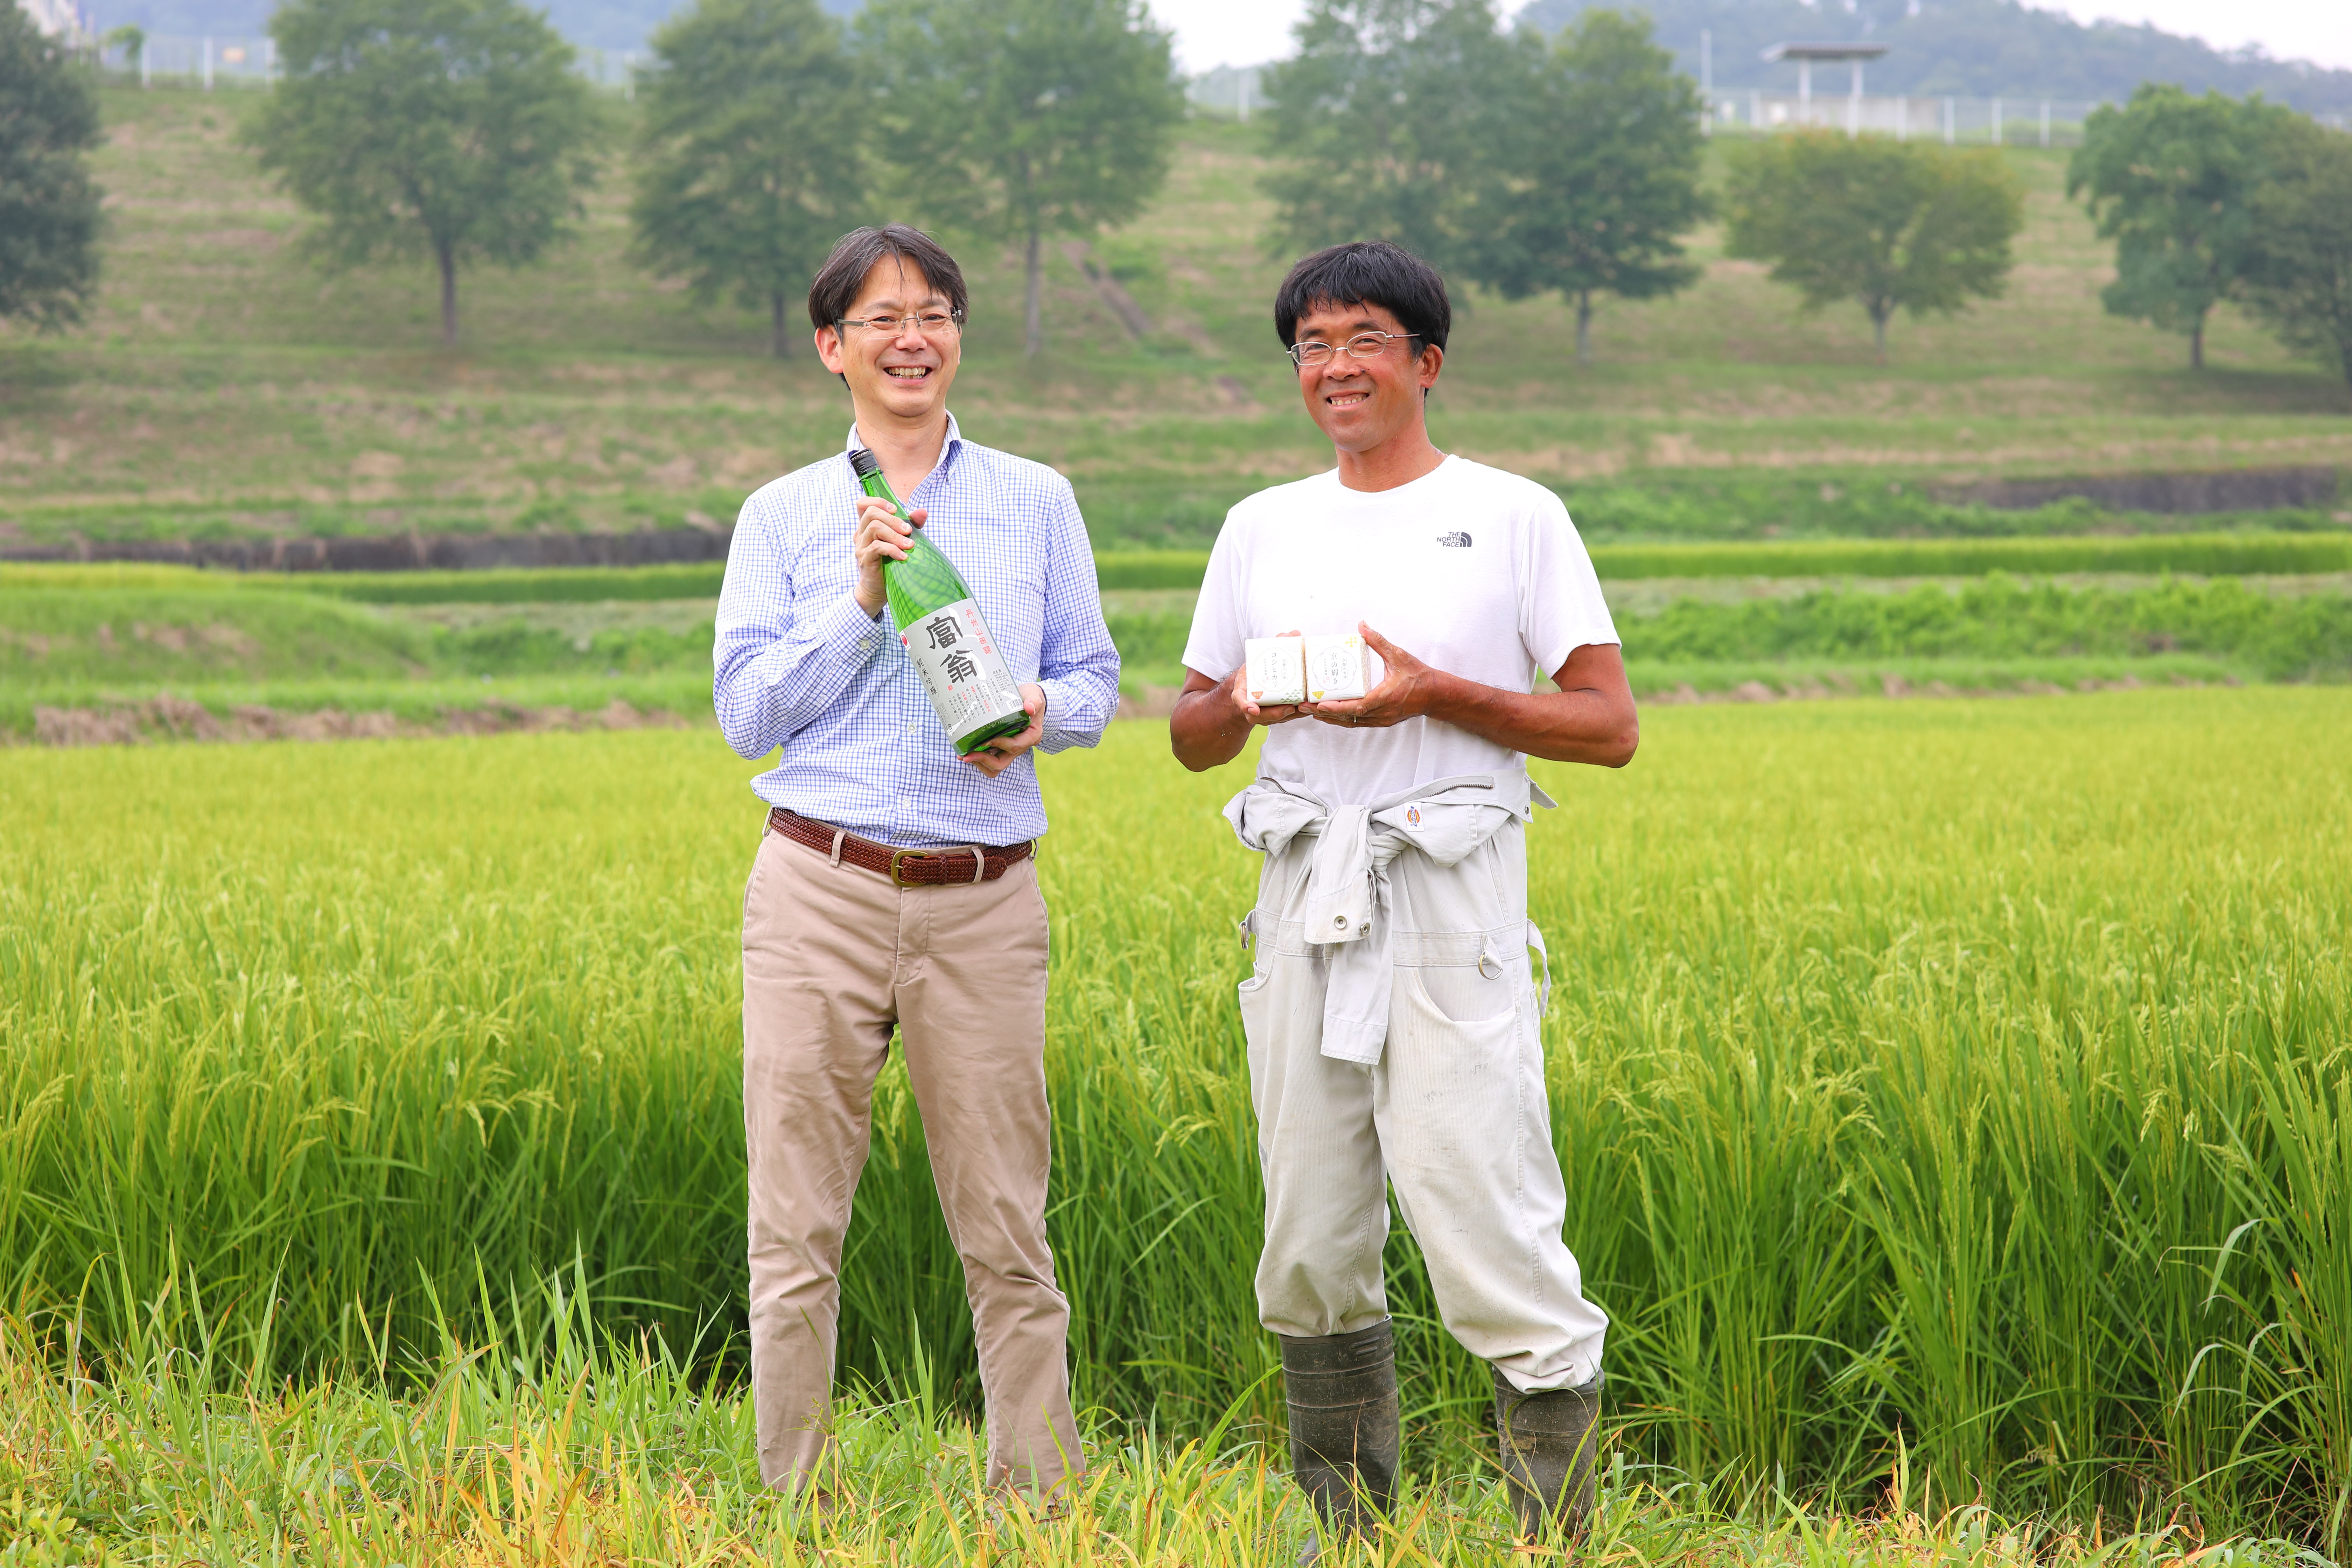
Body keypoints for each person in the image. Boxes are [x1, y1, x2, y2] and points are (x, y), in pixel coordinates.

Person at [1168, 241, 1639, 1553]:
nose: (1335, 367)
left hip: (1447, 904)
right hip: (1302, 895)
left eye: (1363, 339)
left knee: (1491, 1223)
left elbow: (1608, 725)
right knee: (1310, 1242)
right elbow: (1194, 733)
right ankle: (1352, 1539)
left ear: (1426, 362)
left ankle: (1557, 1539)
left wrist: (1432, 691)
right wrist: (1247, 702)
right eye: (1312, 346)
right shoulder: (1261, 525)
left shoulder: (1514, 514)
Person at [714, 223, 1120, 1508]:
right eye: (882, 318)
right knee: (795, 1231)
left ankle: (1038, 1506)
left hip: (984, 897)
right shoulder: (783, 513)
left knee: (1007, 1228)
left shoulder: (1034, 495)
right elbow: (745, 718)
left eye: (935, 313)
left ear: (959, 338)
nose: (913, 338)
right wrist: (861, 603)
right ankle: (797, 1503)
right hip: (817, 889)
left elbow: (1102, 681)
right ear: (832, 347)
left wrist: (1036, 714)